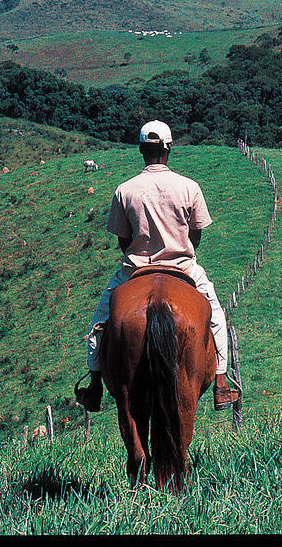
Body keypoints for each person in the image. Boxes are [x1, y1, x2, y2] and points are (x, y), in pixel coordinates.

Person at [74, 120, 242, 412]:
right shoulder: (189, 187)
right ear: (168, 149)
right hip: (183, 267)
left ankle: (95, 386)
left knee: (100, 323)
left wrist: (141, 254)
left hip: (134, 269)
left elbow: (123, 241)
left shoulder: (125, 190)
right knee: (215, 316)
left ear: (141, 149)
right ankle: (221, 383)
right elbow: (196, 234)